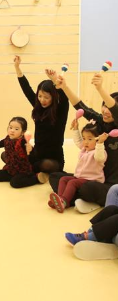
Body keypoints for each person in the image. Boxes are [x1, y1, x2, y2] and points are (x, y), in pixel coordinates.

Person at [49, 72, 118, 212]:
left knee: (87, 188)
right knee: (55, 176)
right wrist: (64, 87)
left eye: (109, 107)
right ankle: (68, 199)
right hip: (89, 177)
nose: (105, 110)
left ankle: (77, 199)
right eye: (104, 106)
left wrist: (100, 89)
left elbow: (115, 109)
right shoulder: (99, 121)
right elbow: (81, 106)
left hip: (109, 184)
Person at [13, 56, 69, 185]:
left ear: (53, 97)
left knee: (47, 165)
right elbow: (26, 89)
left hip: (53, 159)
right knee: (6, 155)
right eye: (39, 96)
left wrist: (54, 79)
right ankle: (39, 175)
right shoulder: (38, 107)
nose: (42, 100)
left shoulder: (60, 111)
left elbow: (64, 98)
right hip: (37, 154)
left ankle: (33, 171)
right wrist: (17, 67)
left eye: (46, 97)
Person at [49, 122, 108, 213]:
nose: (86, 142)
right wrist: (76, 129)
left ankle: (64, 201)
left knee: (72, 182)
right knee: (63, 179)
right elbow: (78, 141)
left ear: (97, 139)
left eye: (90, 139)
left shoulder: (99, 152)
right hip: (80, 177)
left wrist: (100, 143)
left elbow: (99, 158)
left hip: (91, 179)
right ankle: (60, 199)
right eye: (84, 138)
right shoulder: (85, 149)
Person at [0, 116, 36, 188]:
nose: (12, 130)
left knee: (14, 183)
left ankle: (36, 178)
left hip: (23, 170)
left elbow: (33, 156)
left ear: (23, 132)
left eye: (16, 129)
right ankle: (16, 177)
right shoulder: (7, 139)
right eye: (10, 127)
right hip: (11, 168)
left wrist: (31, 149)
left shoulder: (22, 141)